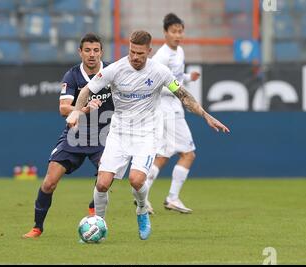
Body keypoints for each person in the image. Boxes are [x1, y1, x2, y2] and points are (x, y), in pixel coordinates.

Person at [66, 30, 229, 241]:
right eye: (132, 52)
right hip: (119, 133)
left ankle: (142, 211)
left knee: (136, 180)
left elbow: (184, 96)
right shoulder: (115, 69)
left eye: (140, 53)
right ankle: (99, 227)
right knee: (102, 184)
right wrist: (78, 111)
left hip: (146, 133)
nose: (135, 57)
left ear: (149, 51)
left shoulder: (160, 72)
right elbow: (87, 90)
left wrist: (206, 115)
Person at [23, 33, 114, 239]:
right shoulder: (72, 76)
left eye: (96, 50)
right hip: (75, 136)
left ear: (101, 52)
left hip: (103, 138)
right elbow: (64, 109)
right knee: (49, 182)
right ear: (80, 52)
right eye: (88, 50)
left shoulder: (111, 72)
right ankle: (37, 227)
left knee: (105, 178)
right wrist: (84, 109)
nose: (92, 55)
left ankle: (94, 212)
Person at [143, 13, 200, 214]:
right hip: (168, 109)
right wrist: (179, 90)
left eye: (180, 31)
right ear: (165, 33)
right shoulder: (161, 56)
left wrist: (188, 78)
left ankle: (142, 195)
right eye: (174, 31)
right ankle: (172, 198)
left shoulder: (179, 51)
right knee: (188, 154)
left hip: (171, 108)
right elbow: (155, 84)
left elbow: (174, 77)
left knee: (163, 155)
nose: (178, 35)